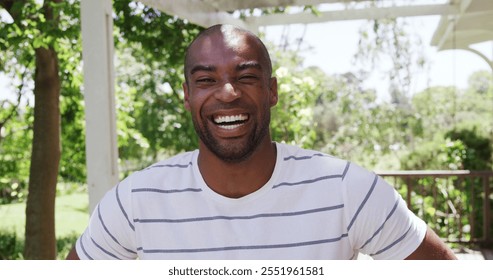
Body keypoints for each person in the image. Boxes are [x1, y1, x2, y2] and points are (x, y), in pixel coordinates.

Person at [66, 24, 456, 260]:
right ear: (187, 96)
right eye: (206, 80)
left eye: (246, 76)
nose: (228, 92)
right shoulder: (135, 200)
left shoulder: (347, 189)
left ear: (272, 91)